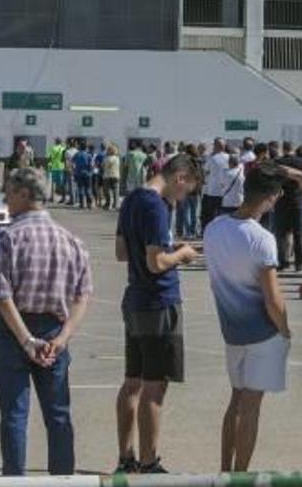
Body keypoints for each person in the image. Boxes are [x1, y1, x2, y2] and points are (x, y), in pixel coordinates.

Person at [0, 168, 93, 476]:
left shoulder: (8, 237)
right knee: (58, 413)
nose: (4, 198)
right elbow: (82, 296)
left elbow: (0, 296)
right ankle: (62, 478)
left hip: (14, 331)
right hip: (55, 330)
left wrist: (25, 339)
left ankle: (14, 479)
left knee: (14, 414)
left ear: (23, 194)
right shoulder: (71, 240)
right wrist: (62, 339)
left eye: (8, 192)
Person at [114, 154, 201, 474]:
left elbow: (122, 252)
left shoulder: (132, 199)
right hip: (159, 300)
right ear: (180, 178)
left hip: (135, 298)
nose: (184, 197)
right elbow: (156, 263)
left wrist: (167, 244)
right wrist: (183, 253)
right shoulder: (156, 205)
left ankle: (126, 457)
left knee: (132, 382)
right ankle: (149, 461)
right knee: (155, 385)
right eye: (187, 190)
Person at [204, 164, 290, 472]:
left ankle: (226, 470)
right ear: (271, 196)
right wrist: (285, 330)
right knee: (251, 407)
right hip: (263, 334)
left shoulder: (213, 229)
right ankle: (240, 475)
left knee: (235, 402)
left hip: (232, 332)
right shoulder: (262, 239)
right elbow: (273, 299)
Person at [274, 141, 302, 271]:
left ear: (283, 149)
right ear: (293, 149)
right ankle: (299, 262)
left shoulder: (277, 162)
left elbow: (272, 179)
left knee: (281, 233)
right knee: (299, 233)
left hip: (281, 201)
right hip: (298, 200)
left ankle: (283, 261)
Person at [201, 138, 230, 228]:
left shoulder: (212, 158)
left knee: (210, 215)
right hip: (225, 191)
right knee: (223, 215)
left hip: (212, 191)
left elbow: (205, 170)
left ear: (216, 146)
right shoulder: (229, 158)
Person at [175, 144, 202, 240]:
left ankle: (188, 232)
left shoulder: (185, 161)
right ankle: (193, 231)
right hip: (195, 189)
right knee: (194, 211)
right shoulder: (199, 161)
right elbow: (201, 175)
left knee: (186, 211)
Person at [218, 151, 245, 215]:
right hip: (239, 201)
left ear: (230, 162)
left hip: (227, 202)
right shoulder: (241, 173)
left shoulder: (224, 173)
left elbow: (221, 184)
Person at [73, 142, 94, 209]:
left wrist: (75, 169)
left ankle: (82, 204)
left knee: (80, 188)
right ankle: (89, 204)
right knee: (88, 188)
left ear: (80, 147)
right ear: (86, 148)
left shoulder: (77, 154)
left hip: (79, 173)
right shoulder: (89, 155)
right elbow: (91, 165)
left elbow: (72, 161)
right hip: (87, 173)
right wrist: (90, 172)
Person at [47, 138, 67, 203]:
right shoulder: (63, 148)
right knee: (62, 183)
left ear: (55, 142)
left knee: (53, 183)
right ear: (60, 142)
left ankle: (52, 197)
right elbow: (64, 158)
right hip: (61, 167)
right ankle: (63, 197)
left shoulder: (52, 148)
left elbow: (49, 158)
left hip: (54, 167)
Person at [102, 144, 121, 210]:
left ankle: (108, 204)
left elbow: (102, 166)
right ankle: (116, 205)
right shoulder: (117, 158)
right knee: (116, 191)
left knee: (107, 191)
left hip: (107, 176)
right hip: (116, 175)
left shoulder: (105, 158)